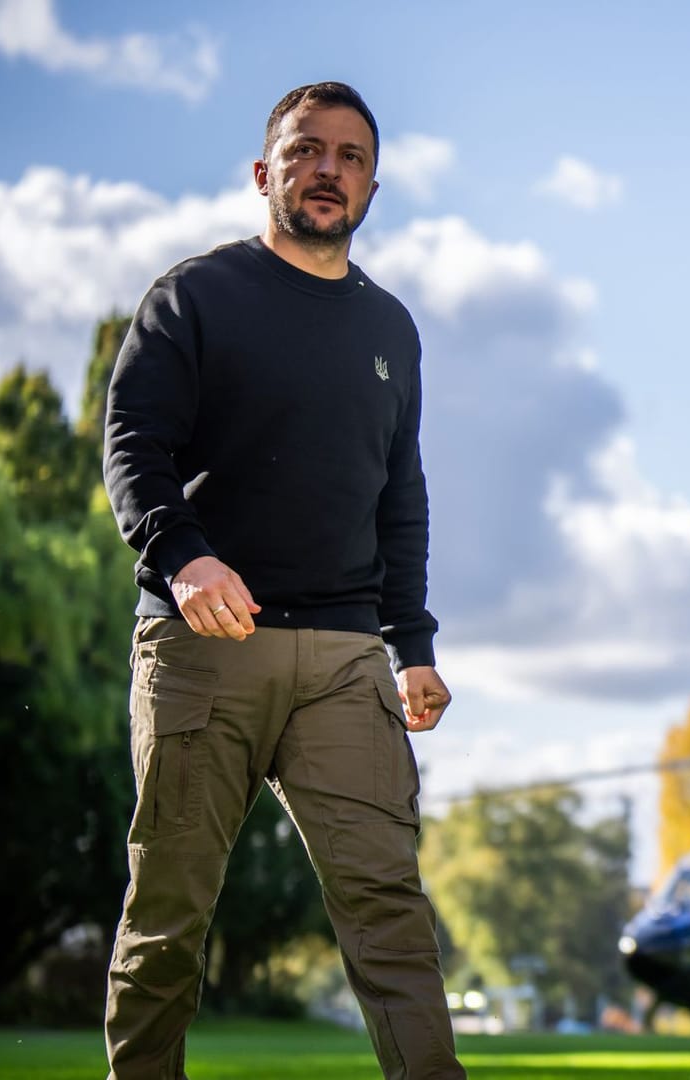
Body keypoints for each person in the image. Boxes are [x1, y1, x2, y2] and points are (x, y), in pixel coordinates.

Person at [100, 82, 465, 1079]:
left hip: (348, 657)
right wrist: (181, 553)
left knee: (389, 908)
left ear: (373, 185)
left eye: (350, 157)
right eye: (307, 151)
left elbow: (402, 494)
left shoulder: (391, 328)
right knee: (168, 911)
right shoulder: (194, 297)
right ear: (266, 173)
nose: (328, 171)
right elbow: (134, 441)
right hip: (202, 646)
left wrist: (414, 644)